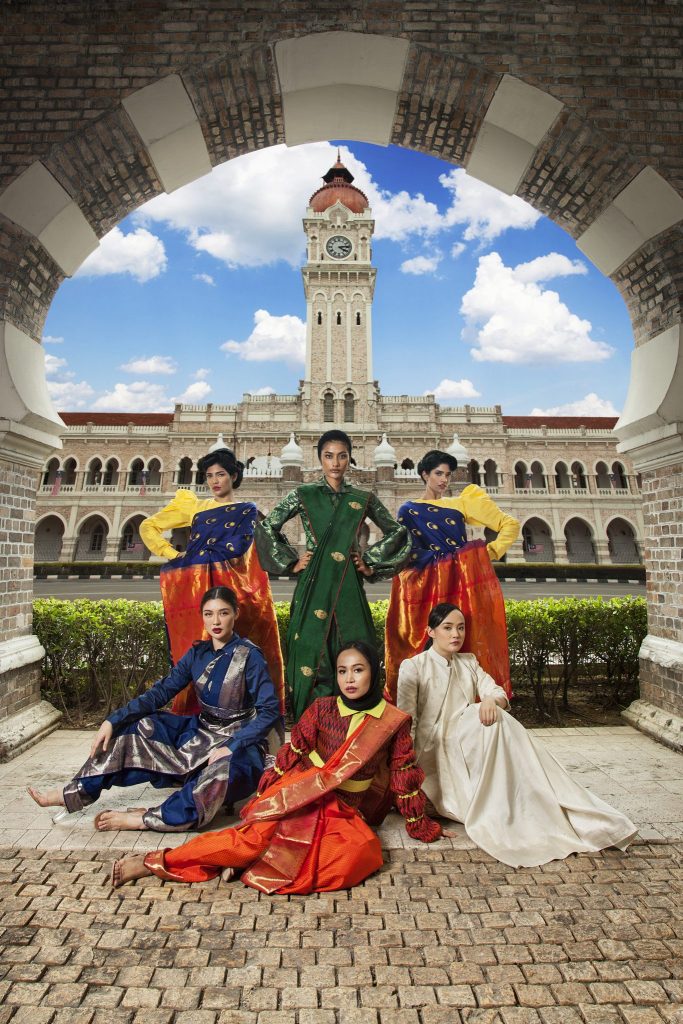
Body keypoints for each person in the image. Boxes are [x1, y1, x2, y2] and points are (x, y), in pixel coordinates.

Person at [110, 640, 445, 892]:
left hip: (343, 807)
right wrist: (268, 797)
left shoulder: (392, 721)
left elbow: (404, 776)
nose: (350, 679)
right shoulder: (322, 708)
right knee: (253, 839)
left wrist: (421, 824)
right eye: (342, 671)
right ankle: (157, 862)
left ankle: (249, 865)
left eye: (358, 669)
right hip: (300, 790)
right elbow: (293, 754)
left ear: (374, 671)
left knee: (357, 854)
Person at [397, 603, 637, 868]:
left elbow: (496, 691)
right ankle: (538, 788)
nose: (456, 634)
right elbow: (407, 722)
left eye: (461, 628)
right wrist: (407, 768)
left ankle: (546, 793)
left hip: (467, 737)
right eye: (448, 628)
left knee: (496, 720)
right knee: (493, 723)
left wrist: (491, 700)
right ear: (431, 631)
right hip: (433, 749)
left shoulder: (468, 662)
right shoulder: (414, 667)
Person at [28, 587, 284, 833]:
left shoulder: (249, 656)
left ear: (235, 614)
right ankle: (75, 793)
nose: (216, 620)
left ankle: (147, 818)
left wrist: (232, 746)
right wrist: (112, 721)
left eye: (223, 612)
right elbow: (159, 693)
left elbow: (269, 711)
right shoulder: (198, 654)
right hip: (201, 733)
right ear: (202, 617)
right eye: (209, 613)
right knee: (133, 729)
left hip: (241, 743)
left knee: (220, 773)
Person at [255, 429, 411, 721]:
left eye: (342, 456)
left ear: (350, 459)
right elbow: (266, 527)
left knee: (355, 641)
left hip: (348, 582)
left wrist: (371, 563)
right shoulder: (303, 494)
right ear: (320, 459)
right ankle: (312, 722)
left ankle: (357, 722)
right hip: (313, 581)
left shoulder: (362, 497)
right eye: (329, 456)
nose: (335, 463)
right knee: (309, 648)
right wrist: (291, 562)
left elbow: (397, 531)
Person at [139, 446, 284, 715]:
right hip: (196, 594)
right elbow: (148, 526)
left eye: (221, 474)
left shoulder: (246, 510)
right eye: (209, 476)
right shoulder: (194, 507)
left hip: (232, 592)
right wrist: (174, 554)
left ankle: (241, 717)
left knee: (235, 657)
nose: (215, 481)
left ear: (234, 476)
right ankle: (195, 715)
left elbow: (241, 552)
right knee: (197, 653)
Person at [385, 449, 519, 701]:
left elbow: (510, 525)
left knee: (461, 640)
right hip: (424, 589)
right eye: (438, 474)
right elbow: (404, 552)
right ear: (424, 475)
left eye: (447, 475)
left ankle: (466, 707)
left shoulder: (461, 503)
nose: (444, 480)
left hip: (460, 585)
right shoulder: (408, 509)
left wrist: (485, 553)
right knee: (424, 645)